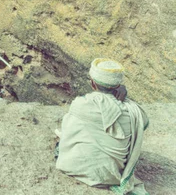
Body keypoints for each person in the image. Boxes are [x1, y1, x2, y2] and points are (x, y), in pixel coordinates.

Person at [56, 58, 149, 195]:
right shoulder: (133, 110)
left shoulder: (81, 105)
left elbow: (69, 130)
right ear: (118, 85)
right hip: (114, 172)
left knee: (68, 134)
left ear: (93, 83)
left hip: (84, 169)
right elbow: (144, 123)